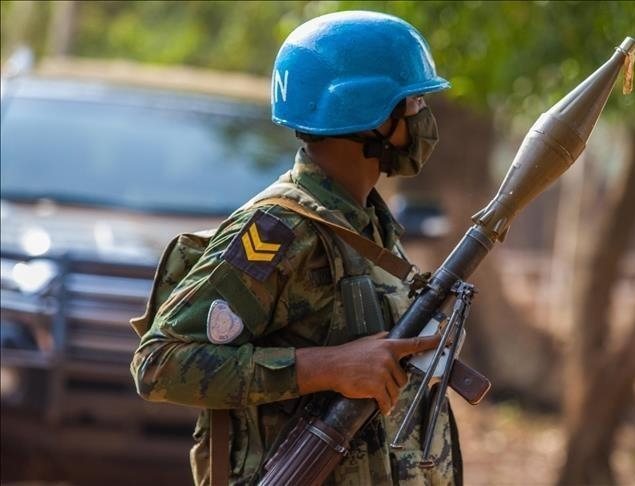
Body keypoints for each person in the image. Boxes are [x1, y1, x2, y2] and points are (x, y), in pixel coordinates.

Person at [131, 10, 461, 486]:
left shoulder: (365, 223)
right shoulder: (281, 231)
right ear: (367, 114)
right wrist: (330, 368)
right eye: (410, 104)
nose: (422, 119)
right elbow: (159, 363)